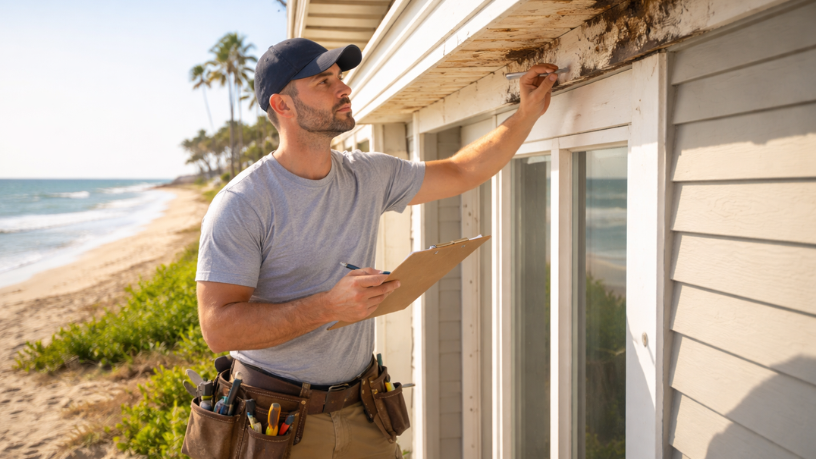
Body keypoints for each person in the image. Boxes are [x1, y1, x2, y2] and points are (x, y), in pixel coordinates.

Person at [195, 37, 559, 458]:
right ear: (283, 105)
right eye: (323, 81)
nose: (344, 88)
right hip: (275, 422)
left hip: (363, 409)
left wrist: (528, 113)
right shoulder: (242, 203)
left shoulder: (369, 174)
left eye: (340, 78)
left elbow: (462, 171)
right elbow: (218, 328)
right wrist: (327, 307)